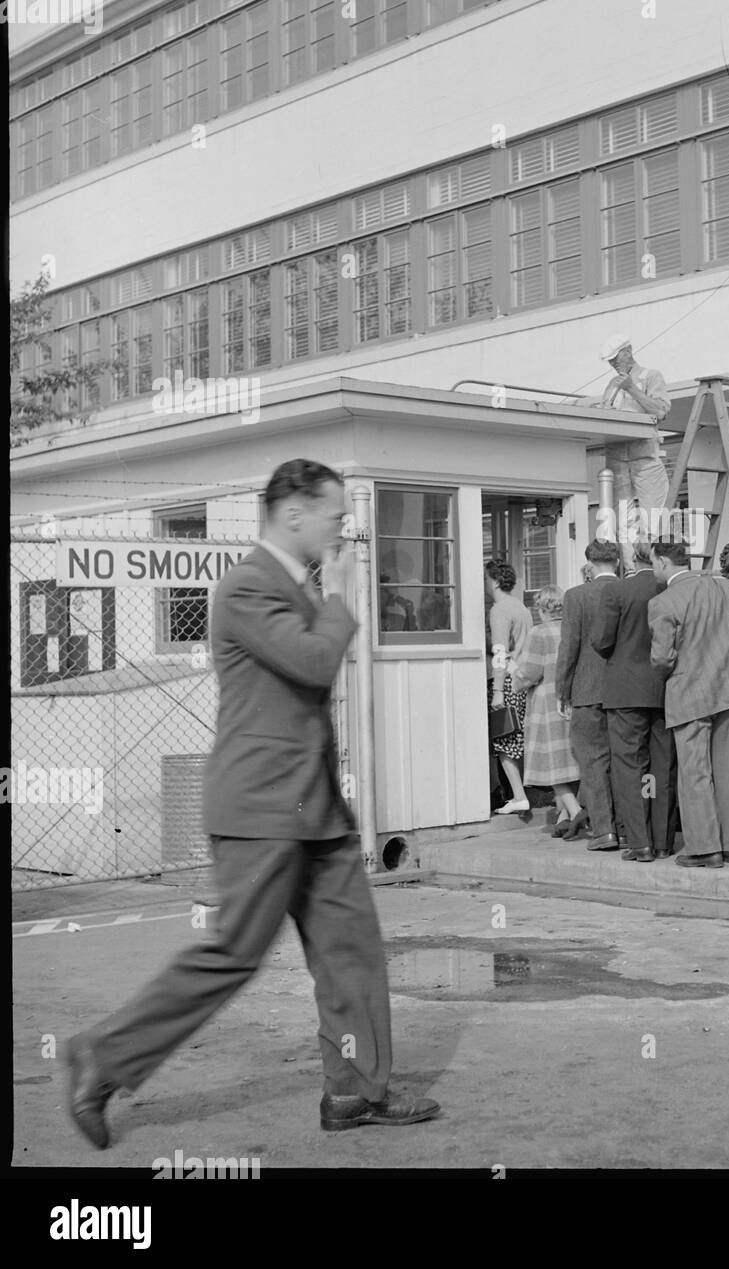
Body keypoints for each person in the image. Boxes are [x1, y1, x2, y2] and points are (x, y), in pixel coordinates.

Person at [65, 460, 439, 1149]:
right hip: (261, 809)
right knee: (233, 953)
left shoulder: (293, 586)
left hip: (314, 811)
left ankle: (356, 1089)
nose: (342, 529)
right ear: (293, 512)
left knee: (351, 951)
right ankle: (102, 1056)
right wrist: (346, 597)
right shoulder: (245, 587)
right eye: (333, 514)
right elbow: (314, 663)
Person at [649, 540, 729, 867]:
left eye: (654, 563)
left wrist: (670, 670)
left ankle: (705, 848)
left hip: (689, 692)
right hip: (728, 686)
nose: (654, 569)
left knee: (695, 773)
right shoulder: (720, 587)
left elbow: (661, 657)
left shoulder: (663, 602)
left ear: (665, 562)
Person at [589, 542, 681, 861]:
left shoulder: (617, 591)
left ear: (631, 558)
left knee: (630, 766)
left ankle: (639, 841)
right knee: (660, 766)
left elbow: (601, 641)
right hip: (662, 685)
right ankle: (662, 840)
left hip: (625, 688)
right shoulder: (667, 588)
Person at [556, 539, 621, 851]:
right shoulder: (631, 592)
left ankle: (604, 829)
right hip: (626, 692)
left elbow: (569, 647)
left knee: (592, 762)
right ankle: (627, 826)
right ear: (618, 562)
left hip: (587, 689)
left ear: (589, 564)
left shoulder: (576, 596)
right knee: (624, 761)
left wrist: (562, 690)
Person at [510, 584, 585, 839]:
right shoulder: (573, 628)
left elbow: (529, 673)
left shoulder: (539, 633)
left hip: (546, 703)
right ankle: (563, 817)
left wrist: (512, 673)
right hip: (572, 700)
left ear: (541, 609)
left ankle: (575, 812)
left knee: (553, 763)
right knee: (569, 760)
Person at [596, 334, 672, 564]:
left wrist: (632, 389)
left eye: (615, 358)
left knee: (654, 517)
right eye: (609, 361)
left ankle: (658, 566)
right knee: (622, 521)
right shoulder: (611, 385)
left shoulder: (651, 376)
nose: (612, 364)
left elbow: (660, 412)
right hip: (617, 457)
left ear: (627, 352)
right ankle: (631, 569)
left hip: (645, 458)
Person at [486, 560, 532, 813]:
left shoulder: (499, 610)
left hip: (507, 681)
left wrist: (498, 691)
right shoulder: (521, 607)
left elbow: (501, 652)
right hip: (523, 679)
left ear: (494, 581)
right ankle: (519, 793)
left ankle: (518, 795)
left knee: (505, 741)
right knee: (517, 739)